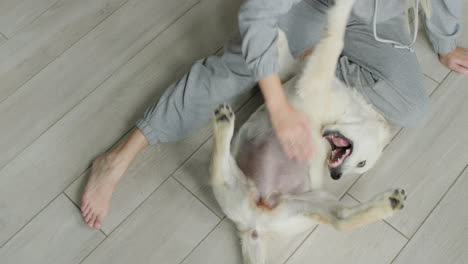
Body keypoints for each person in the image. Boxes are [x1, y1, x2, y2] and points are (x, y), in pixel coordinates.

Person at [80, 0, 467, 229]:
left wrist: (446, 42)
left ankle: (311, 60)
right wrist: (278, 108)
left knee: (414, 107)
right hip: (305, 5)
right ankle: (118, 157)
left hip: (371, 16)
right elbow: (258, 18)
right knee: (235, 71)